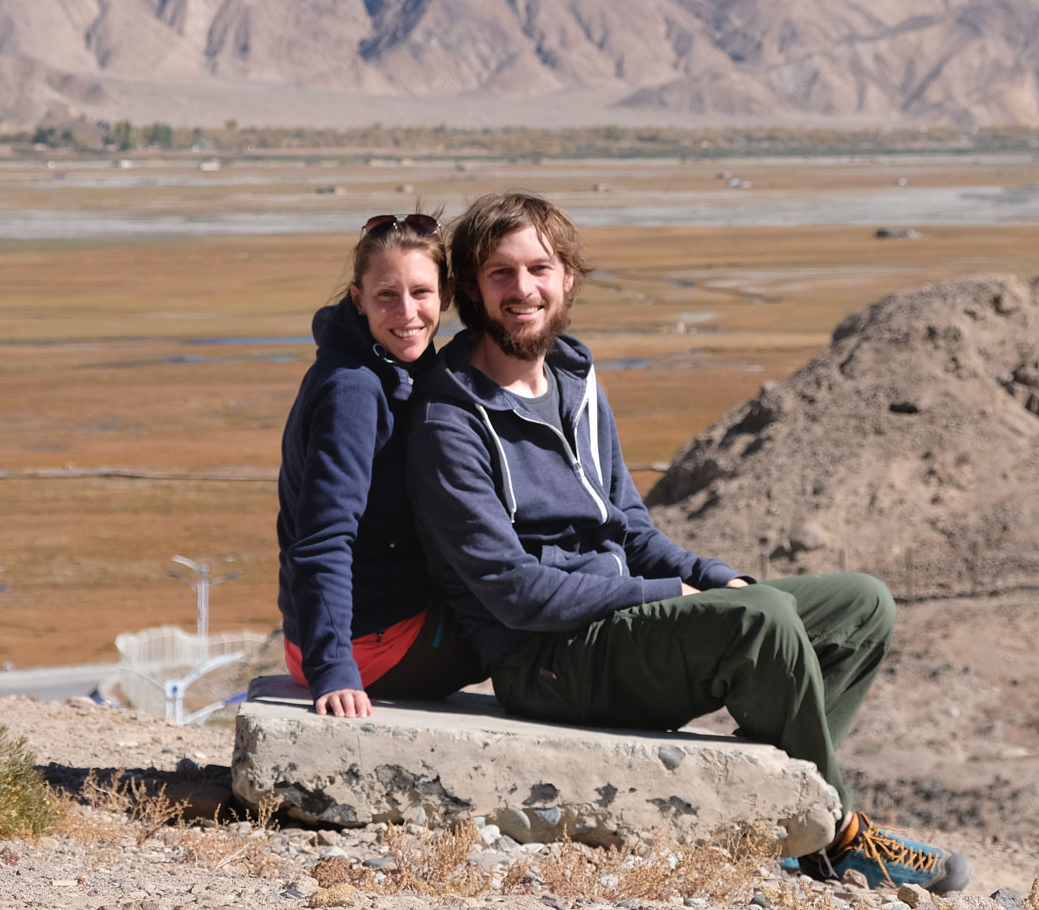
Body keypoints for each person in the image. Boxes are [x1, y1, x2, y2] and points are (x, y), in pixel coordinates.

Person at [405, 192, 970, 892]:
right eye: (500, 273)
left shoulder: (574, 378)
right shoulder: (449, 416)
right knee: (759, 623)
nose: (523, 289)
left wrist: (711, 575)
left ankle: (770, 813)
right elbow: (512, 593)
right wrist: (672, 593)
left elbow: (630, 528)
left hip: (621, 630)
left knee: (861, 605)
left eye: (539, 268)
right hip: (545, 661)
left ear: (567, 278)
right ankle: (835, 837)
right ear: (469, 290)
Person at [276, 213, 483, 717]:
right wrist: (335, 670)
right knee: (541, 618)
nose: (407, 312)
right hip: (369, 645)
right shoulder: (355, 388)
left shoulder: (398, 370)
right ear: (357, 298)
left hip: (362, 629)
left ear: (447, 297)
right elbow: (323, 535)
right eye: (386, 295)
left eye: (421, 293)